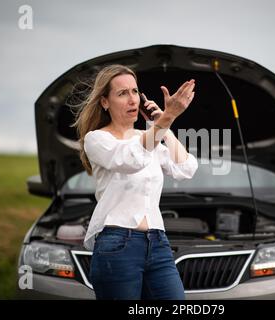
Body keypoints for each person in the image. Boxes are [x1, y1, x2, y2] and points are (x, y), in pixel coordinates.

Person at [73, 64, 198, 300]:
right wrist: (166, 120)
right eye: (122, 93)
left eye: (134, 91)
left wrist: (164, 125)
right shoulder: (96, 139)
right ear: (104, 102)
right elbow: (131, 159)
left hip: (158, 242)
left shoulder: (148, 137)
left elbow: (186, 168)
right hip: (117, 243)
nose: (132, 100)